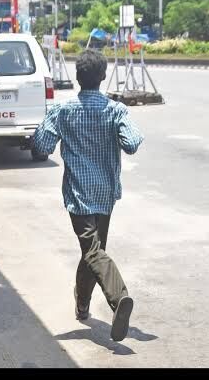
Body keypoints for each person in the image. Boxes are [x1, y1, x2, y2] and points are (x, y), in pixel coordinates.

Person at [33, 49, 144, 343]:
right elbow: (132, 143)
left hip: (79, 194)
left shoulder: (63, 111)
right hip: (106, 193)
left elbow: (42, 145)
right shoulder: (115, 110)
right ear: (103, 76)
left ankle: (118, 298)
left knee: (92, 253)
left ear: (78, 77)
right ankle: (82, 305)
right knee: (95, 253)